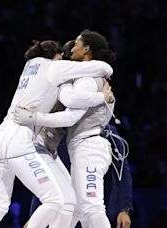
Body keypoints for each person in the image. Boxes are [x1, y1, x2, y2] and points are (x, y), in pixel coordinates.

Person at [0, 39, 113, 228]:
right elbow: (105, 67)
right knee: (53, 200)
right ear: (56, 56)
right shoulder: (54, 68)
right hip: (19, 138)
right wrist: (102, 96)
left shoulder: (30, 65)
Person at [25, 40, 133, 228]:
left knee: (91, 209)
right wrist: (36, 216)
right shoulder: (69, 92)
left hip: (90, 148)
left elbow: (121, 164)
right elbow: (50, 173)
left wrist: (124, 207)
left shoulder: (89, 85)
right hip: (77, 150)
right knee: (73, 209)